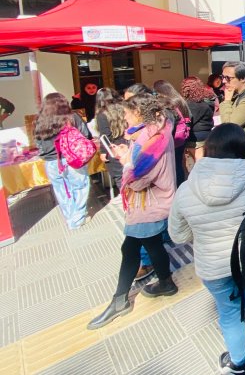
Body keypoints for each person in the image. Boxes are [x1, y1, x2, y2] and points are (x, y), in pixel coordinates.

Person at [168, 123, 245, 375]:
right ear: (242, 148)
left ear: (209, 149)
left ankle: (238, 362)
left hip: (213, 268)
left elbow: (178, 235)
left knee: (229, 314)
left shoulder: (187, 187)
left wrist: (203, 231)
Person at [88, 93, 178, 329]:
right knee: (151, 245)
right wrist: (129, 154)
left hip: (148, 203)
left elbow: (137, 180)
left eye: (127, 114)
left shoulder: (152, 141)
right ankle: (166, 283)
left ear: (138, 113)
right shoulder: (157, 131)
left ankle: (120, 301)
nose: (125, 120)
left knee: (130, 250)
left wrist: (125, 161)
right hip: (153, 201)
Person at [34, 92, 92, 229]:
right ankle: (78, 218)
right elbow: (86, 135)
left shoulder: (39, 121)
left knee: (61, 190)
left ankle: (70, 216)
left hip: (51, 162)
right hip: (72, 159)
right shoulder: (73, 117)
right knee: (80, 186)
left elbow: (38, 144)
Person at [154, 80, 191, 187]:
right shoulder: (179, 100)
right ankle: (181, 186)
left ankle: (176, 187)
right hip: (181, 137)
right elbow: (189, 116)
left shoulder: (168, 104)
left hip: (173, 140)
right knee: (179, 164)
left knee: (173, 166)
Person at [94, 88, 126, 192]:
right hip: (127, 145)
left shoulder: (102, 114)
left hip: (114, 149)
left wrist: (103, 152)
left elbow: (105, 135)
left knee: (120, 178)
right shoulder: (124, 108)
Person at [180, 76, 216, 166]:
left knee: (196, 165)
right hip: (207, 136)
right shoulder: (207, 101)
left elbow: (188, 123)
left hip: (195, 139)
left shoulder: (192, 104)